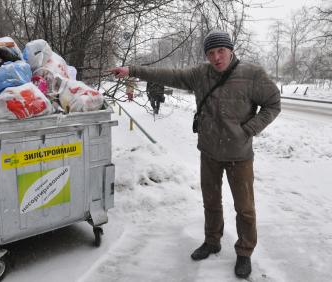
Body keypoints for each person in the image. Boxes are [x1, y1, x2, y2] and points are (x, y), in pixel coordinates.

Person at [109, 30, 281, 279]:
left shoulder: (252, 74)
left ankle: (244, 252)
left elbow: (273, 103)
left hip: (239, 155)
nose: (216, 57)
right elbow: (167, 74)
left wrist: (249, 129)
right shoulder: (200, 74)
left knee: (244, 208)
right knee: (211, 203)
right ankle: (212, 241)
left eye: (220, 51)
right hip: (209, 152)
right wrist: (132, 70)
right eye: (211, 53)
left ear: (230, 50)